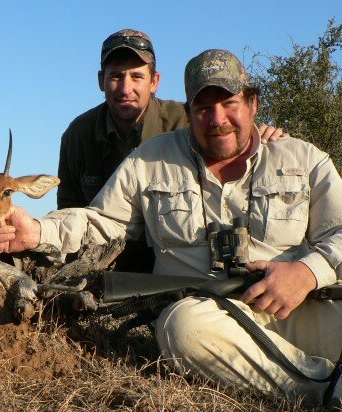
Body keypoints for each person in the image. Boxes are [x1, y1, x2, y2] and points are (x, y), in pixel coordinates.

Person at [0, 48, 342, 409]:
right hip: (212, 319)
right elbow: (102, 221)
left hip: (299, 306)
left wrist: (306, 273)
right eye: (203, 108)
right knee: (181, 328)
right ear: (188, 110)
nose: (217, 120)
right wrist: (37, 232)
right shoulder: (150, 159)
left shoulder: (301, 157)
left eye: (229, 103)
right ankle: (334, 393)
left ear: (252, 103)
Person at [58, 29, 284, 272]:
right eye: (115, 76)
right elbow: (69, 211)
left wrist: (258, 136)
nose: (125, 89)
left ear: (155, 81)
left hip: (175, 262)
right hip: (103, 264)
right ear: (101, 80)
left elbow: (229, 143)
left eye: (137, 77)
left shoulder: (186, 122)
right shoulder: (77, 135)